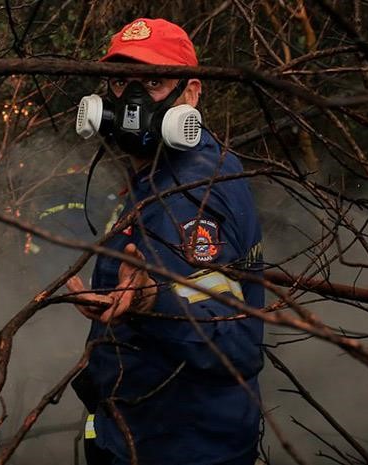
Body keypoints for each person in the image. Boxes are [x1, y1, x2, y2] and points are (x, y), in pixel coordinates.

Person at [66, 18, 264, 465]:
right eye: (121, 82)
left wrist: (153, 302)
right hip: (142, 430)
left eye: (154, 82)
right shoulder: (169, 173)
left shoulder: (192, 196)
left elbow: (237, 347)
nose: (131, 101)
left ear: (191, 94)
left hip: (179, 448)